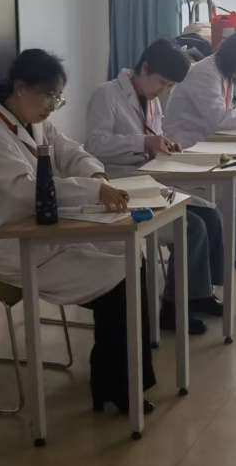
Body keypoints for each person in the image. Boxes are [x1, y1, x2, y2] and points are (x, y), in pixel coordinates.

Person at [0, 49, 155, 416]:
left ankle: (118, 377)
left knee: (132, 257)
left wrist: (96, 175)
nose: (52, 106)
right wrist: (93, 190)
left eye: (58, 97)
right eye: (48, 95)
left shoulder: (34, 122)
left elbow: (70, 151)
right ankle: (117, 385)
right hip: (20, 250)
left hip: (51, 237)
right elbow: (29, 190)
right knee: (123, 277)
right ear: (21, 87)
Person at [85, 38, 226, 336]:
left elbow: (153, 137)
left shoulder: (152, 101)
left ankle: (199, 293)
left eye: (169, 86)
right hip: (121, 188)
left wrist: (164, 146)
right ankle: (173, 308)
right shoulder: (107, 94)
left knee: (212, 215)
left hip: (150, 183)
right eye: (161, 83)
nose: (163, 91)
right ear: (144, 68)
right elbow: (95, 145)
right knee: (192, 227)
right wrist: (144, 142)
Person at [164, 31, 236, 266]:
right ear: (235, 56)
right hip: (187, 150)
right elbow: (220, 119)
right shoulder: (205, 74)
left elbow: (226, 114)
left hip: (209, 146)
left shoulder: (223, 73)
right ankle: (228, 252)